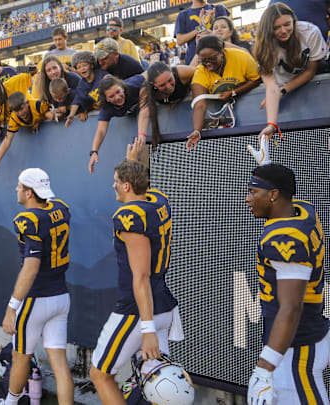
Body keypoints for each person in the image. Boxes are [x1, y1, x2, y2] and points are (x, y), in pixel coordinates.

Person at [89, 139, 180, 405]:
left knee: (100, 374)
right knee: (154, 384)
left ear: (126, 186)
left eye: (116, 181)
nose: (113, 185)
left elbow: (139, 276)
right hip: (163, 302)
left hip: (138, 310)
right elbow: (143, 185)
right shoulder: (158, 200)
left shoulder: (129, 216)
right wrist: (134, 163)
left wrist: (147, 328)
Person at [0, 169, 74, 405]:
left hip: (36, 299)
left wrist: (12, 306)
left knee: (20, 357)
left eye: (19, 185)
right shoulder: (61, 208)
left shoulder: (29, 220)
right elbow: (52, 206)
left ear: (29, 192)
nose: (16, 189)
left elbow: (31, 267)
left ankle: (9, 403)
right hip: (61, 297)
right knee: (60, 364)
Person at [244, 163, 328, 405]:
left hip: (297, 345)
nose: (248, 199)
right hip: (292, 341)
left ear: (273, 195)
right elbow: (283, 196)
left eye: (253, 192)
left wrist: (264, 366)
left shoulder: (286, 240)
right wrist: (266, 166)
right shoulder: (302, 210)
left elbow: (291, 308)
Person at [254, 3, 328, 141]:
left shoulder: (310, 32)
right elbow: (271, 87)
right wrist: (271, 125)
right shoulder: (263, 47)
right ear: (268, 29)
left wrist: (283, 91)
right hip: (281, 84)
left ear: (294, 20)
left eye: (287, 24)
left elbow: (310, 71)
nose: (283, 30)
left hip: (309, 83)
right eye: (276, 28)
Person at [186, 35, 261, 150]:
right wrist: (197, 130)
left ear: (222, 52)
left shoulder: (241, 57)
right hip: (226, 122)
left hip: (250, 116)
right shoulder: (201, 71)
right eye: (203, 60)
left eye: (212, 58)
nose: (208, 64)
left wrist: (234, 92)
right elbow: (199, 103)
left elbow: (257, 78)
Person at [88, 74, 149, 174]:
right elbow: (101, 130)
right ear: (107, 99)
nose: (117, 97)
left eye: (118, 92)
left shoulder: (133, 85)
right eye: (112, 96)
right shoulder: (107, 108)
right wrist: (94, 152)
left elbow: (150, 73)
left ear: (122, 87)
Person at [0, 92, 53, 173]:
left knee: (50, 115)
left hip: (51, 142)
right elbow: (7, 141)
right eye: (16, 111)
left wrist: (41, 118)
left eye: (22, 108)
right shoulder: (14, 118)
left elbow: (55, 108)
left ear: (27, 103)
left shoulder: (37, 105)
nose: (20, 113)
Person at [144, 62, 196, 148]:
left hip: (186, 82)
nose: (169, 86)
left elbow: (204, 74)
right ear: (154, 85)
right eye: (162, 85)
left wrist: (193, 89)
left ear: (172, 73)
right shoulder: (145, 87)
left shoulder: (182, 73)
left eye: (170, 80)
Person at [174, 0, 230, 65]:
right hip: (195, 62)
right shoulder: (183, 15)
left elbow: (229, 34)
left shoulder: (218, 9)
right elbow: (180, 40)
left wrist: (213, 22)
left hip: (220, 59)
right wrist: (201, 28)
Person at [65, 51, 108, 127]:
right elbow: (77, 100)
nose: (82, 68)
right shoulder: (82, 84)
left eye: (84, 65)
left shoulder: (101, 75)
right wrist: (71, 115)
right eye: (79, 67)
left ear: (91, 65)